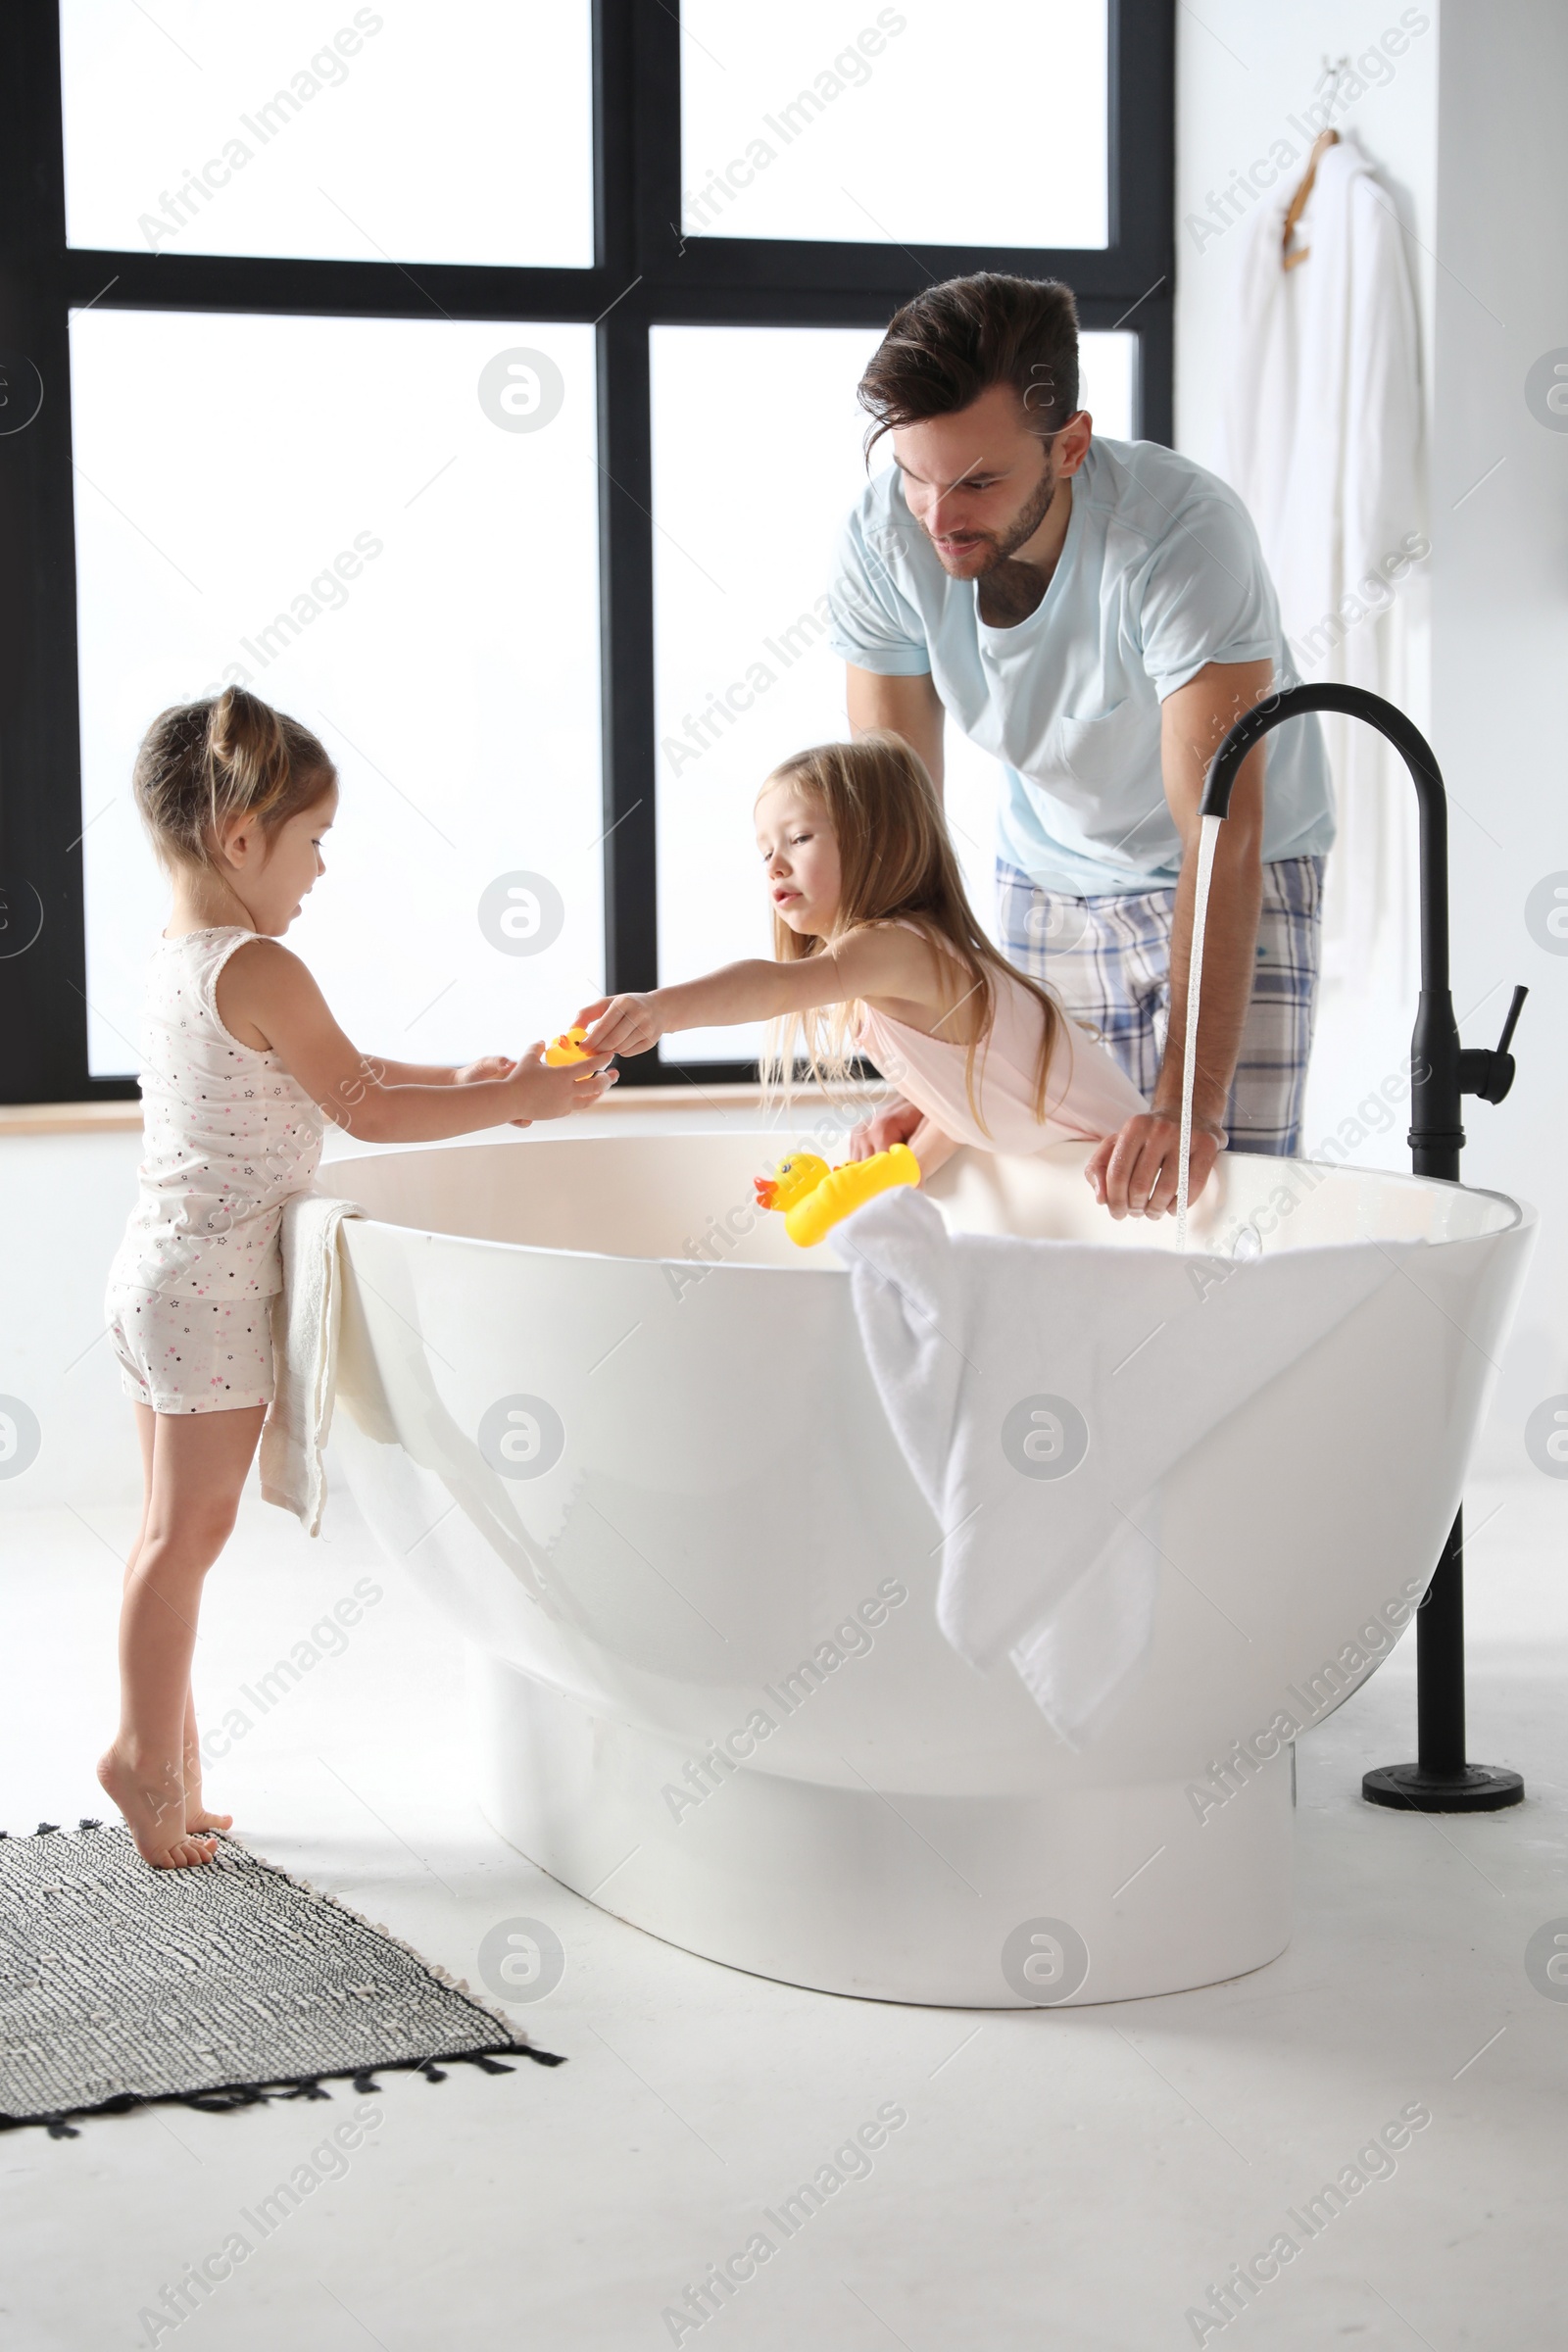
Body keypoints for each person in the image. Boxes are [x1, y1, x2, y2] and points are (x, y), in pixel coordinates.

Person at [98, 687, 614, 1868]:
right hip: (212, 1293)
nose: (321, 870)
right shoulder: (264, 963)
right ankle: (139, 1757)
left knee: (162, 1533)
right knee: (188, 1538)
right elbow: (364, 1109)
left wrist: (467, 1071)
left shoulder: (182, 960)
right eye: (313, 841)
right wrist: (519, 1100)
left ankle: (167, 1766)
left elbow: (338, 1070)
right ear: (240, 840)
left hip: (155, 1277)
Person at [828, 271, 1335, 1217]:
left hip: (1234, 865)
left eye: (979, 481)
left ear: (1070, 446)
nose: (939, 518)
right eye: (915, 475)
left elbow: (1218, 838)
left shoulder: (1181, 540)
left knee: (1217, 1198)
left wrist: (1192, 1105)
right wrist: (935, 1070)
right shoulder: (884, 538)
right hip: (1049, 870)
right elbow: (897, 826)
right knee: (1052, 1194)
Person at [575, 732, 1145, 1175]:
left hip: (1128, 1173)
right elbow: (985, 1091)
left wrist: (659, 1010)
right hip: (1095, 1175)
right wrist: (912, 1166)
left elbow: (775, 985)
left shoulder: (896, 948)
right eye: (765, 849)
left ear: (884, 844)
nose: (775, 863)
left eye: (798, 838)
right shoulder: (894, 974)